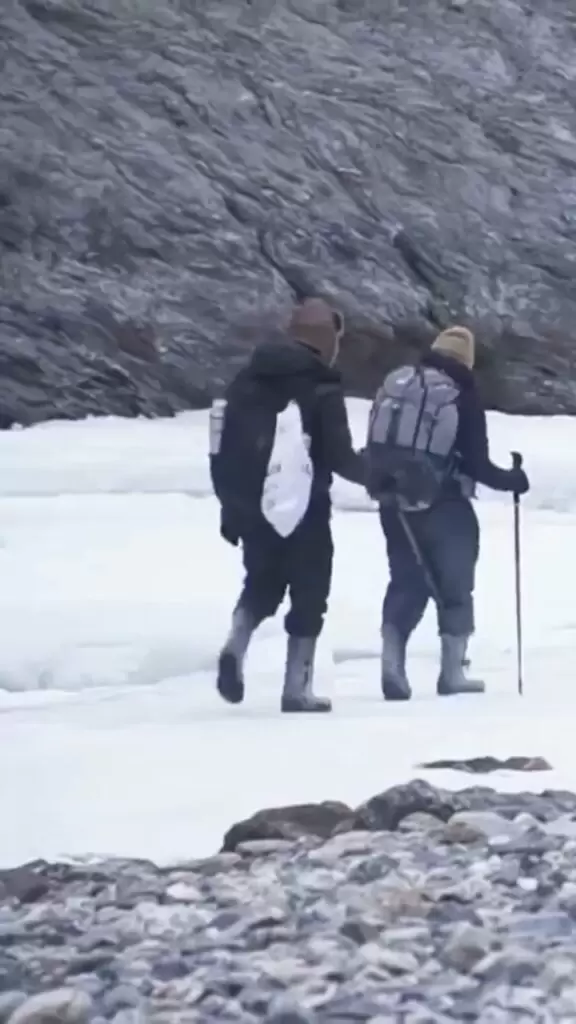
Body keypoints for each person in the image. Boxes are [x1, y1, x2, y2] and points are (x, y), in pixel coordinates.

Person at [213, 297, 365, 713]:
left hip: (251, 504)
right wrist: (379, 477)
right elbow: (339, 455)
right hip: (304, 509)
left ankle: (236, 644)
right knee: (310, 591)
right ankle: (297, 687)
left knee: (261, 583)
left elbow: (223, 448)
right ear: (327, 338)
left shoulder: (246, 380)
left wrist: (231, 508)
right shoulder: (321, 384)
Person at [377, 325, 530, 700]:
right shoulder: (461, 395)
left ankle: (392, 663)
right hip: (445, 505)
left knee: (406, 579)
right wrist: (512, 480)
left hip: (394, 502)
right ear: (467, 359)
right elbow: (477, 465)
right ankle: (452, 673)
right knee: (456, 583)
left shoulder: (400, 384)